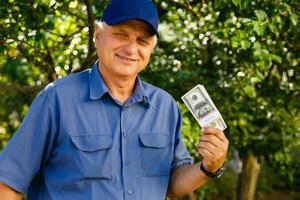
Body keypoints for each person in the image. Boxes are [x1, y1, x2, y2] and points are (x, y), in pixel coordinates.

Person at [0, 0, 229, 199]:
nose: (131, 49)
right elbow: (7, 183)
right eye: (121, 34)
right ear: (98, 35)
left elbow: (172, 183)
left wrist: (209, 166)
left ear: (152, 48)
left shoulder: (165, 107)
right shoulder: (56, 100)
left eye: (142, 40)